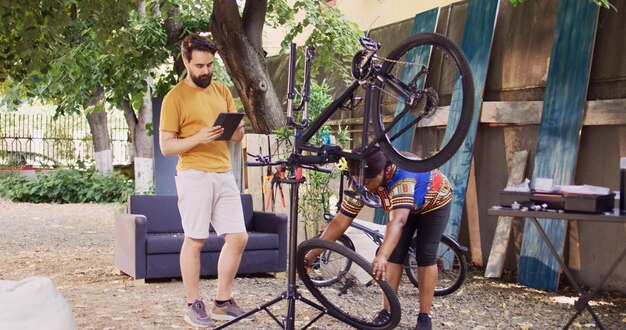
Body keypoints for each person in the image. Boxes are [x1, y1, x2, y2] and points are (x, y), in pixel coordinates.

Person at [159, 33, 251, 328]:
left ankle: (222, 303)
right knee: (195, 240)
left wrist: (237, 127)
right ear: (186, 61)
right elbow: (166, 146)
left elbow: (237, 137)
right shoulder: (175, 98)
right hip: (194, 174)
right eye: (199, 66)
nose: (206, 71)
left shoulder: (222, 90)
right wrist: (197, 137)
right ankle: (192, 304)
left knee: (238, 237)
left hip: (224, 172)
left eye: (210, 65)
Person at [309, 147, 452, 330]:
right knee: (395, 254)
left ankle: (425, 317)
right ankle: (387, 310)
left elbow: (398, 221)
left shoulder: (403, 175)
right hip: (403, 206)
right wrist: (312, 254)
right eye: (358, 181)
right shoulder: (362, 180)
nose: (364, 186)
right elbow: (340, 222)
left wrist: (381, 255)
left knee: (425, 255)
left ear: (383, 172)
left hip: (434, 202)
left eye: (368, 182)